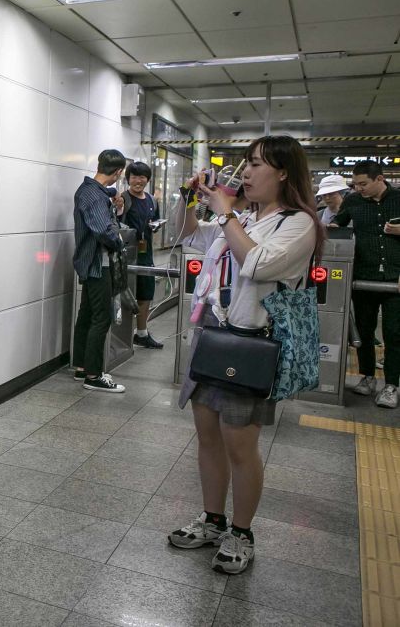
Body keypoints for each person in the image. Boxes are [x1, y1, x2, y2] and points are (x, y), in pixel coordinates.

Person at [169, 135, 322, 575]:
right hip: (214, 335)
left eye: (256, 164)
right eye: (247, 164)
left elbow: (256, 265)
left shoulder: (298, 223)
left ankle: (241, 531)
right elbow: (185, 237)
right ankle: (213, 520)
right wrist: (188, 199)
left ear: (284, 172)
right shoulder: (247, 218)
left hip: (251, 344)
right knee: (207, 435)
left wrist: (226, 212)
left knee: (241, 444)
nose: (247, 173)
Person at [333, 160, 400, 405]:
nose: (358, 188)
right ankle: (368, 377)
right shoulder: (352, 201)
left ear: (380, 179)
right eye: (356, 184)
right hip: (363, 277)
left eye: (364, 184)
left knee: (394, 333)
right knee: (364, 331)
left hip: (396, 279)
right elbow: (337, 224)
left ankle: (391, 385)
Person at [71, 149, 128, 393]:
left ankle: (83, 366)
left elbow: (107, 205)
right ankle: (93, 376)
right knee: (100, 318)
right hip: (98, 265)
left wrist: (116, 204)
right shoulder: (94, 195)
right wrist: (119, 241)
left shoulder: (93, 191)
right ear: (117, 172)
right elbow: (103, 231)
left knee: (86, 315)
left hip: (89, 262)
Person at [120, 161, 163, 349]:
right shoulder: (122, 199)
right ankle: (121, 335)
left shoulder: (152, 200)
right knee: (126, 293)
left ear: (148, 179)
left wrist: (156, 225)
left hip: (146, 253)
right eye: (134, 177)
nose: (138, 181)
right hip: (126, 255)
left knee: (146, 293)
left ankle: (142, 333)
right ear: (128, 179)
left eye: (142, 177)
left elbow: (154, 222)